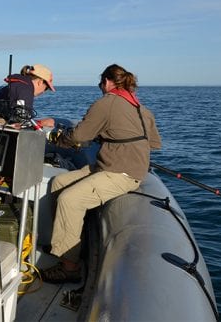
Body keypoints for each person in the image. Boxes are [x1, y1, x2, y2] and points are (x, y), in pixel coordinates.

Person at [41, 64, 161, 283]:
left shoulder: (106, 103)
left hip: (121, 173)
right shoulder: (142, 109)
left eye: (100, 83)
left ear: (106, 82)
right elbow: (153, 143)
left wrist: (59, 139)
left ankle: (70, 268)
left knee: (70, 200)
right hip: (114, 167)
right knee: (59, 182)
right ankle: (65, 244)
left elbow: (79, 136)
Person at [0, 63, 56, 128]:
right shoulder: (25, 89)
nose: (43, 92)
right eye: (46, 88)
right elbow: (20, 122)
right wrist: (42, 123)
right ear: (40, 82)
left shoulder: (20, 85)